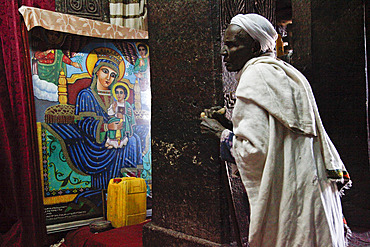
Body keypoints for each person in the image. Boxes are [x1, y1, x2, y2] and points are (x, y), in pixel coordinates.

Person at [201, 13, 351, 246]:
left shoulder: (253, 76)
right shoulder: (283, 72)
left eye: (231, 45)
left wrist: (218, 134)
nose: (223, 52)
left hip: (289, 195)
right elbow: (279, 134)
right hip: (310, 186)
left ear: (253, 46)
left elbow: (255, 153)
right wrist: (232, 124)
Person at [48, 50, 143, 202]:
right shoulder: (86, 95)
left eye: (113, 75)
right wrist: (106, 128)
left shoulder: (115, 97)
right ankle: (106, 193)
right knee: (127, 143)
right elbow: (85, 123)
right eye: (105, 71)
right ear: (96, 72)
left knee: (134, 140)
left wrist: (124, 124)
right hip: (93, 143)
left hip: (115, 137)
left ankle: (128, 188)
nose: (108, 77)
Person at [105, 84, 135, 149]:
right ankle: (111, 143)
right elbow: (109, 113)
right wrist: (113, 109)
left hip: (124, 122)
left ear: (124, 95)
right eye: (117, 93)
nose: (119, 95)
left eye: (121, 93)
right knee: (111, 123)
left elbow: (130, 117)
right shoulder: (115, 103)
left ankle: (119, 144)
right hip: (115, 121)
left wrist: (123, 117)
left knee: (119, 129)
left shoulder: (127, 105)